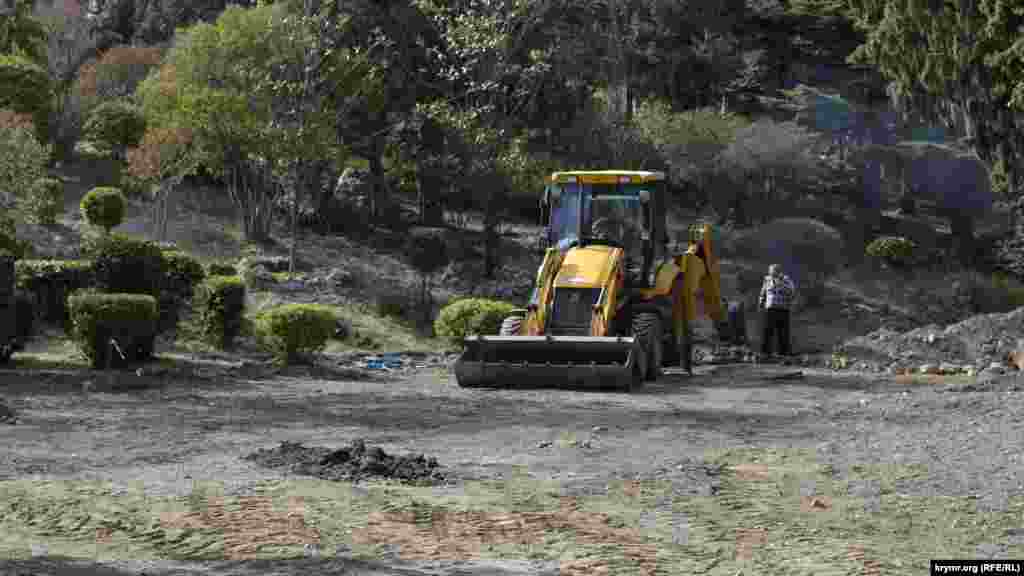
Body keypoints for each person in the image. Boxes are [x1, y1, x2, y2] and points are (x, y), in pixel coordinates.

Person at [758, 264, 796, 356]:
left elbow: (792, 292)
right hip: (770, 308)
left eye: (772, 270)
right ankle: (765, 352)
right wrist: (761, 302)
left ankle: (783, 352)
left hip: (783, 308)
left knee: (783, 331)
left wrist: (780, 284)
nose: (770, 272)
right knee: (767, 330)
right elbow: (763, 292)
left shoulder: (786, 280)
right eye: (769, 270)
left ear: (778, 271)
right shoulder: (767, 280)